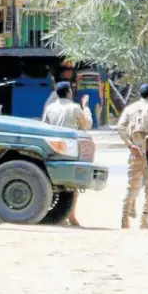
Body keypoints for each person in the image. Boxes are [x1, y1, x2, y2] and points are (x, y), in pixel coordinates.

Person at [42, 81, 92, 226]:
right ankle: (70, 215)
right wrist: (86, 107)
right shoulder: (75, 107)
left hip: (52, 148)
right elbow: (87, 124)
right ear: (69, 92)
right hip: (70, 148)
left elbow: (44, 125)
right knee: (72, 185)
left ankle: (58, 216)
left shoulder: (50, 108)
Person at [117, 83, 148, 229]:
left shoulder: (130, 109)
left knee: (132, 187)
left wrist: (130, 145)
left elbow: (120, 127)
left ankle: (124, 219)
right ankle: (144, 220)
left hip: (135, 152)